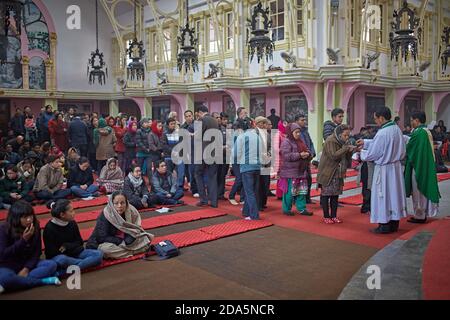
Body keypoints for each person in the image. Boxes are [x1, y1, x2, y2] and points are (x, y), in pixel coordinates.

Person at [360, 106, 407, 234]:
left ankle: (384, 224)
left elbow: (374, 153)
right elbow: (384, 145)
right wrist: (365, 142)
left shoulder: (382, 133)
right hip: (395, 168)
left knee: (383, 196)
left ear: (381, 118)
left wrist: (361, 152)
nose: (375, 121)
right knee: (394, 195)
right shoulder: (396, 129)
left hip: (384, 169)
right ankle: (393, 223)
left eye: (376, 119)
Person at [0, 201, 61, 293]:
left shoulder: (35, 226)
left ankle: (15, 282)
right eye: (25, 217)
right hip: (8, 265)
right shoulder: (4, 229)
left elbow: (37, 252)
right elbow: (3, 255)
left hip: (26, 263)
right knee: (6, 278)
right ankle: (43, 281)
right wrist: (23, 240)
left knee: (51, 265)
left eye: (31, 216)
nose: (29, 220)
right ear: (16, 218)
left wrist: (26, 269)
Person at [86, 192, 154, 260]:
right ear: (112, 204)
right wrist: (120, 241)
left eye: (122, 203)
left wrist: (131, 237)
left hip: (126, 241)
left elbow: (137, 229)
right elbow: (101, 237)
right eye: (116, 203)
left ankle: (127, 251)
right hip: (109, 242)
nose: (119, 206)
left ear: (126, 203)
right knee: (105, 250)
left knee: (145, 238)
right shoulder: (106, 214)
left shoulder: (131, 211)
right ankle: (134, 251)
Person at [43, 200, 103, 276]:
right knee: (62, 260)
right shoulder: (49, 228)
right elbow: (50, 253)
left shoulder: (72, 223)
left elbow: (79, 242)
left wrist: (67, 246)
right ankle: (86, 262)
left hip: (75, 253)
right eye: (71, 211)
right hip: (61, 257)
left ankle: (63, 272)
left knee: (98, 254)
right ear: (62, 215)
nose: (74, 213)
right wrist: (67, 250)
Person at [404, 111, 441, 224]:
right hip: (424, 164)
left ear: (417, 120)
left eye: (411, 120)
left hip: (419, 166)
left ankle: (420, 215)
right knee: (420, 190)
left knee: (418, 191)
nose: (411, 123)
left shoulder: (420, 132)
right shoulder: (425, 131)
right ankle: (421, 214)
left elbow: (411, 147)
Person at [318, 125, 357, 224]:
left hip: (338, 172)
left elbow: (345, 157)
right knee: (326, 195)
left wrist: (351, 150)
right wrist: (346, 148)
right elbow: (333, 156)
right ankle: (326, 216)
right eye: (345, 135)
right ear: (339, 135)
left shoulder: (344, 142)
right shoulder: (331, 140)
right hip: (328, 172)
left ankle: (334, 216)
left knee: (335, 196)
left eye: (348, 135)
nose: (347, 137)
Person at [278, 122, 313, 216]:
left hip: (300, 171)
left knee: (301, 191)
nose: (298, 134)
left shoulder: (300, 141)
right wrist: (300, 155)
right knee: (289, 193)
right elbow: (286, 156)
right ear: (290, 132)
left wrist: (308, 154)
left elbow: (307, 150)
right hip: (290, 172)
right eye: (296, 132)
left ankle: (302, 208)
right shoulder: (286, 142)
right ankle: (286, 209)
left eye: (299, 132)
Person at [235, 120, 261, 220]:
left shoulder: (241, 137)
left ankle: (254, 215)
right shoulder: (257, 136)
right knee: (252, 191)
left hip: (246, 167)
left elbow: (236, 153)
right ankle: (246, 211)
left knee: (249, 192)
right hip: (257, 166)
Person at [194, 105, 219, 208]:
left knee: (198, 174)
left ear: (200, 112)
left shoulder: (203, 120)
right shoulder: (215, 120)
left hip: (204, 152)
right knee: (212, 177)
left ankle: (203, 199)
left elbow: (199, 136)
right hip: (215, 152)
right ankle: (214, 201)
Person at [296, 112, 316, 203]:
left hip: (307, 159)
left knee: (308, 179)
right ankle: (298, 198)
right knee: (300, 180)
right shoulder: (296, 132)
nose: (304, 121)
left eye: (305, 120)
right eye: (302, 120)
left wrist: (312, 152)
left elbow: (310, 143)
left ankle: (307, 198)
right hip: (300, 159)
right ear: (296, 121)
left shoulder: (305, 131)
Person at [180, 110, 199, 197]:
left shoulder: (197, 125)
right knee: (188, 171)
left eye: (190, 116)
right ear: (184, 117)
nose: (189, 117)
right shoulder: (183, 127)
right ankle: (191, 186)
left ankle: (196, 189)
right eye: (187, 116)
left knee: (195, 171)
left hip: (195, 151)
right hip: (186, 151)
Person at [228, 120, 246, 206]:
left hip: (242, 159)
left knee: (243, 178)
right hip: (236, 159)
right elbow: (232, 149)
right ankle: (231, 196)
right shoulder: (235, 135)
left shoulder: (241, 134)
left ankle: (242, 198)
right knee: (239, 179)